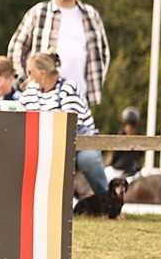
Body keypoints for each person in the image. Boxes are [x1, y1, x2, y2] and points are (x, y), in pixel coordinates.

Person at [7, 0, 110, 105]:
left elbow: (103, 53)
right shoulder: (39, 12)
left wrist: (96, 81)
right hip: (40, 95)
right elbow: (17, 46)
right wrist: (22, 77)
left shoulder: (91, 15)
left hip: (79, 95)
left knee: (80, 127)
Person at [19, 51, 109, 197]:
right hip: (44, 141)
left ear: (42, 73)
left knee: (88, 159)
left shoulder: (68, 89)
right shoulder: (31, 92)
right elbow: (20, 113)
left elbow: (70, 126)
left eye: (30, 71)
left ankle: (107, 201)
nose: (28, 75)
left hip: (77, 141)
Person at [105, 106, 143, 182]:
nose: (129, 128)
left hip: (120, 169)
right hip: (133, 170)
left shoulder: (121, 136)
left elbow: (115, 155)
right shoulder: (140, 136)